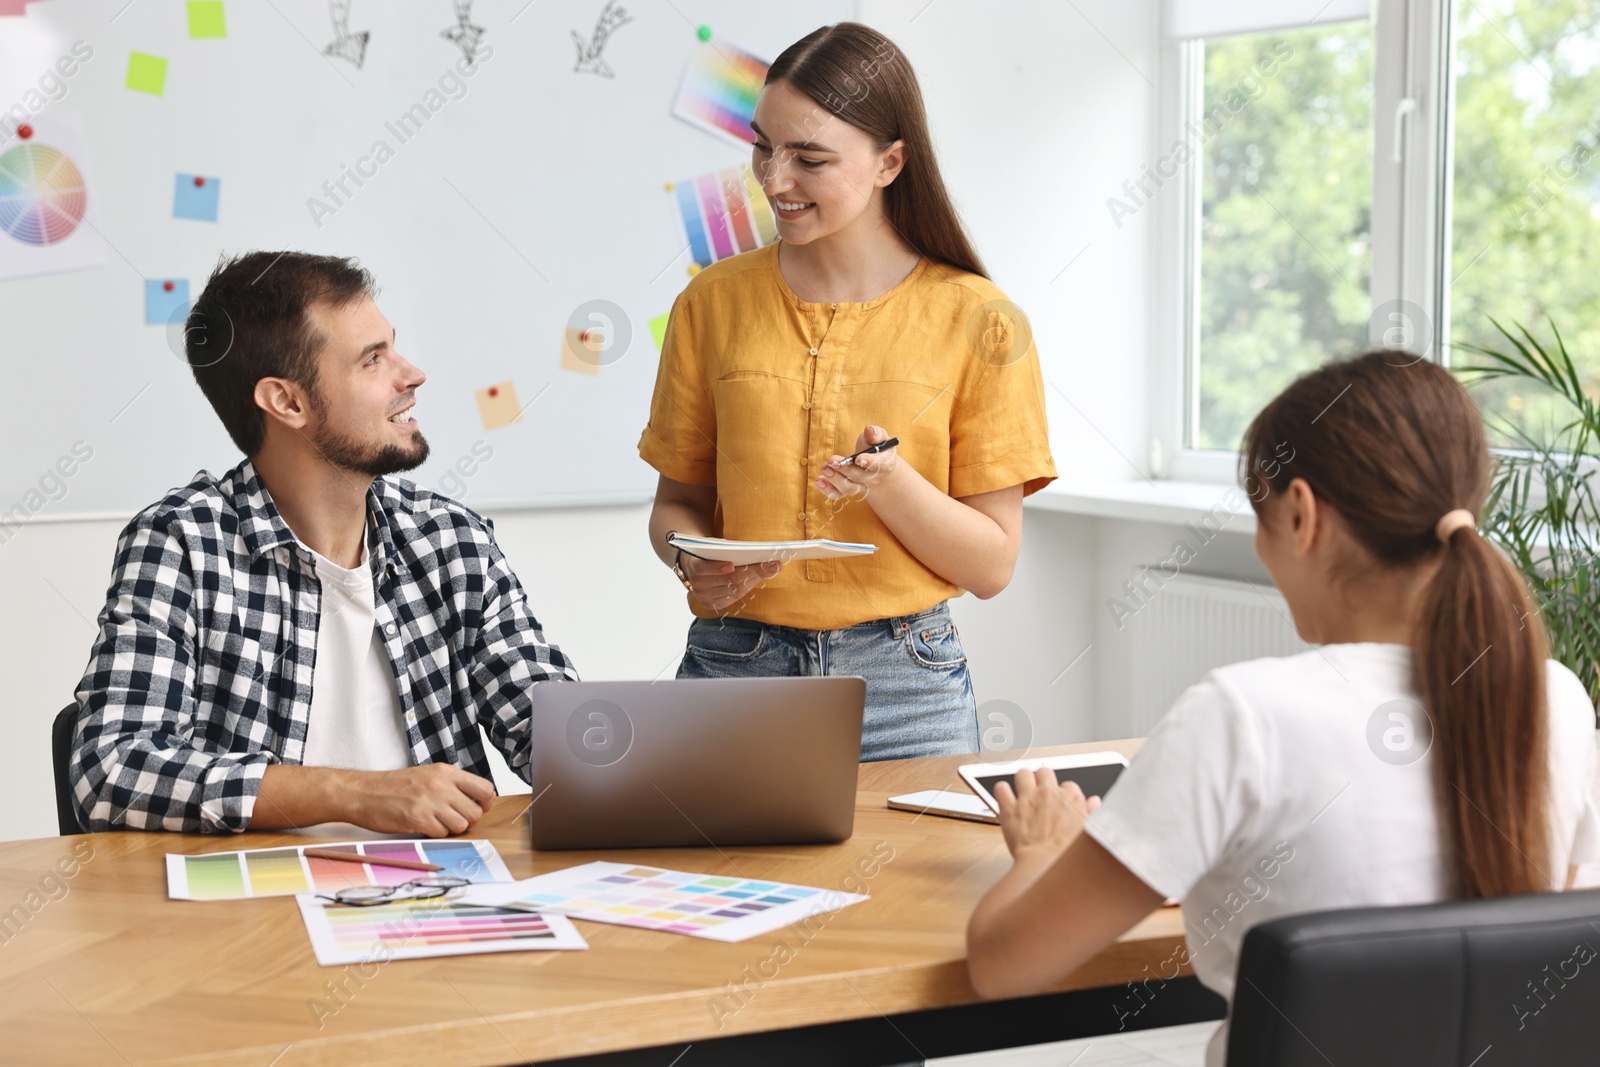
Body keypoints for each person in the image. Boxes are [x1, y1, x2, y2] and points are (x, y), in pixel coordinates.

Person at [965, 352, 1600, 1064]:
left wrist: (1043, 851)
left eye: (1258, 516)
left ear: (1302, 514)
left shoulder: (1241, 718)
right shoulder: (1557, 700)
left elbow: (1001, 964)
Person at [640, 22, 1056, 762]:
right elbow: (676, 506)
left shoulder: (983, 320)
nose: (774, 180)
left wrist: (890, 483)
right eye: (764, 145)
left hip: (908, 691)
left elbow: (990, 566)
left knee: (922, 884)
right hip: (732, 669)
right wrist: (691, 562)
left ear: (891, 162)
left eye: (810, 158)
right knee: (715, 882)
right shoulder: (710, 303)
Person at [70, 252, 577, 835]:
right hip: (257, 908)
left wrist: (640, 758)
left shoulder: (449, 540)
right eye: (372, 361)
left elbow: (545, 724)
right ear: (287, 401)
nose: (411, 375)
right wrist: (356, 795)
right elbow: (111, 770)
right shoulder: (182, 544)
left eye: (393, 348)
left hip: (441, 891)